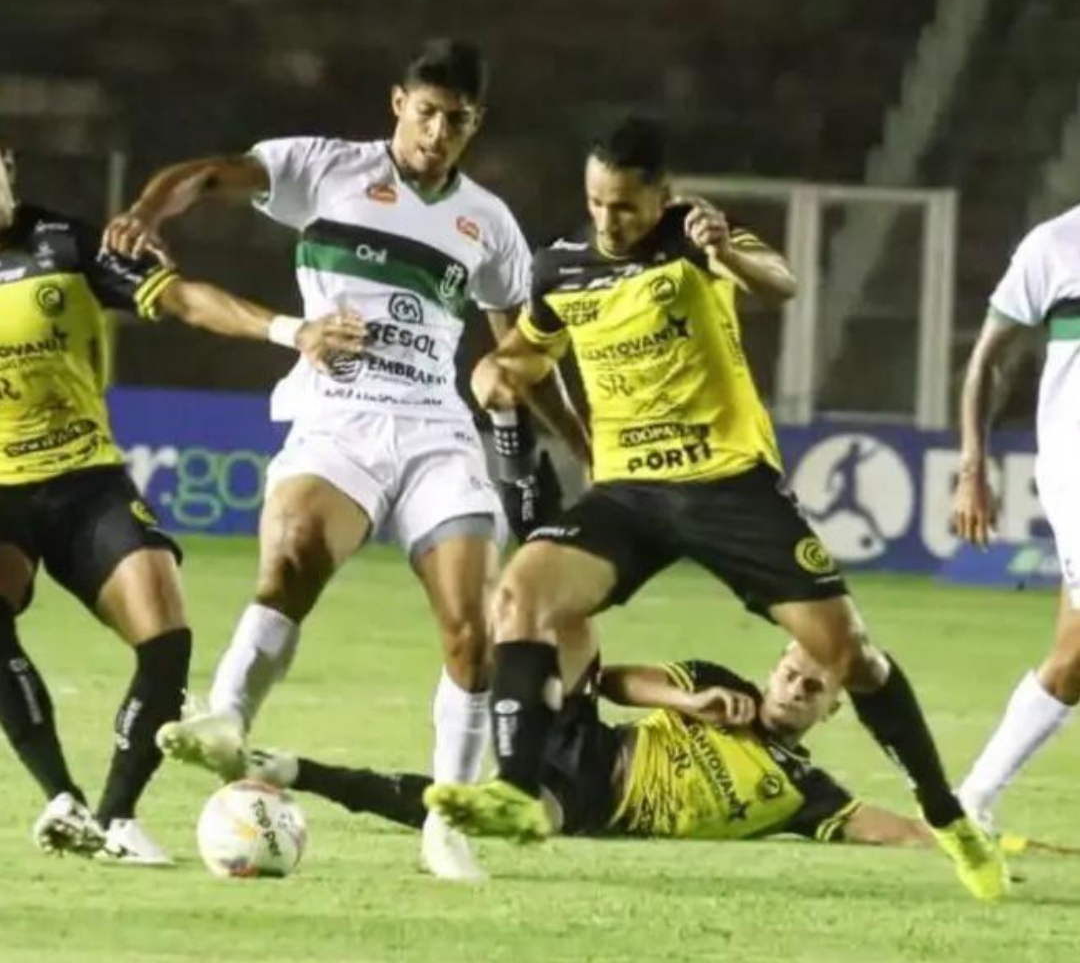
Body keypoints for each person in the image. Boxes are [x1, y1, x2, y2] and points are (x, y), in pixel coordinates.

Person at [424, 116, 1007, 900]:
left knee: (848, 656)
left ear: (660, 196)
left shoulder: (696, 239)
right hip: (630, 490)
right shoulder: (560, 269)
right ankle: (518, 792)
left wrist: (726, 247)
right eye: (597, 202)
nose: (609, 219)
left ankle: (949, 817)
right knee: (518, 595)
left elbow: (781, 284)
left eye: (626, 206)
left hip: (728, 483)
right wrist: (498, 373)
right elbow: (529, 352)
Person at [102, 39, 579, 882]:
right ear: (398, 103)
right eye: (426, 112)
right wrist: (148, 211)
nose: (437, 132)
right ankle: (227, 717)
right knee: (291, 557)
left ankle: (447, 820)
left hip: (435, 430)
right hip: (339, 419)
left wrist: (586, 445)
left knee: (472, 632)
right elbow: (208, 174)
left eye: (456, 120)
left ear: (476, 125)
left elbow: (523, 352)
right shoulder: (324, 169)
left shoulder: (490, 225)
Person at [0, 144, 362, 865]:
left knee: (166, 641)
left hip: (85, 481)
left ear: (9, 166)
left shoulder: (65, 245)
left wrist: (293, 332)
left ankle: (116, 819)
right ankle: (61, 799)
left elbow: (183, 298)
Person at [241, 634, 1061, 862]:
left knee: (493, 816)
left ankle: (292, 771)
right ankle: (508, 434)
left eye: (812, 689)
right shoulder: (717, 686)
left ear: (833, 710)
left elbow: (893, 828)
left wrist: (977, 839)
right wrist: (689, 700)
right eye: (790, 671)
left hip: (598, 804)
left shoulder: (801, 792)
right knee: (563, 628)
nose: (792, 687)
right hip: (585, 738)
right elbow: (612, 682)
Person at [953, 202, 1080, 828]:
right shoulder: (1057, 245)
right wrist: (974, 469)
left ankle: (973, 797)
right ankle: (973, 795)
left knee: (1074, 658)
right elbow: (988, 361)